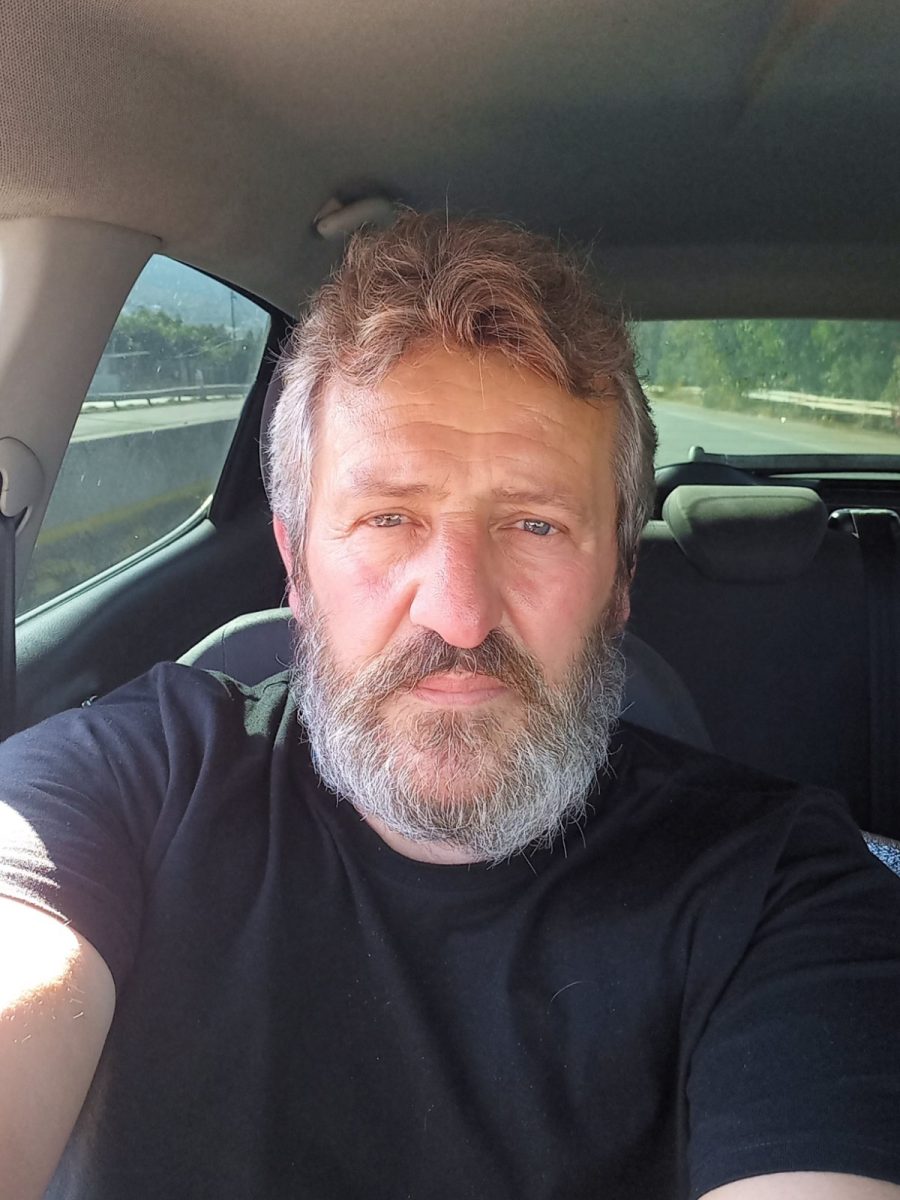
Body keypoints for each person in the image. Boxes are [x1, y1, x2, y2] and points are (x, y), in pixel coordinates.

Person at [1, 212, 899, 1200]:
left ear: (621, 578)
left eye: (534, 524)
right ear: (296, 567)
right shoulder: (122, 784)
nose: (461, 614)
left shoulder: (781, 888)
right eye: (389, 518)